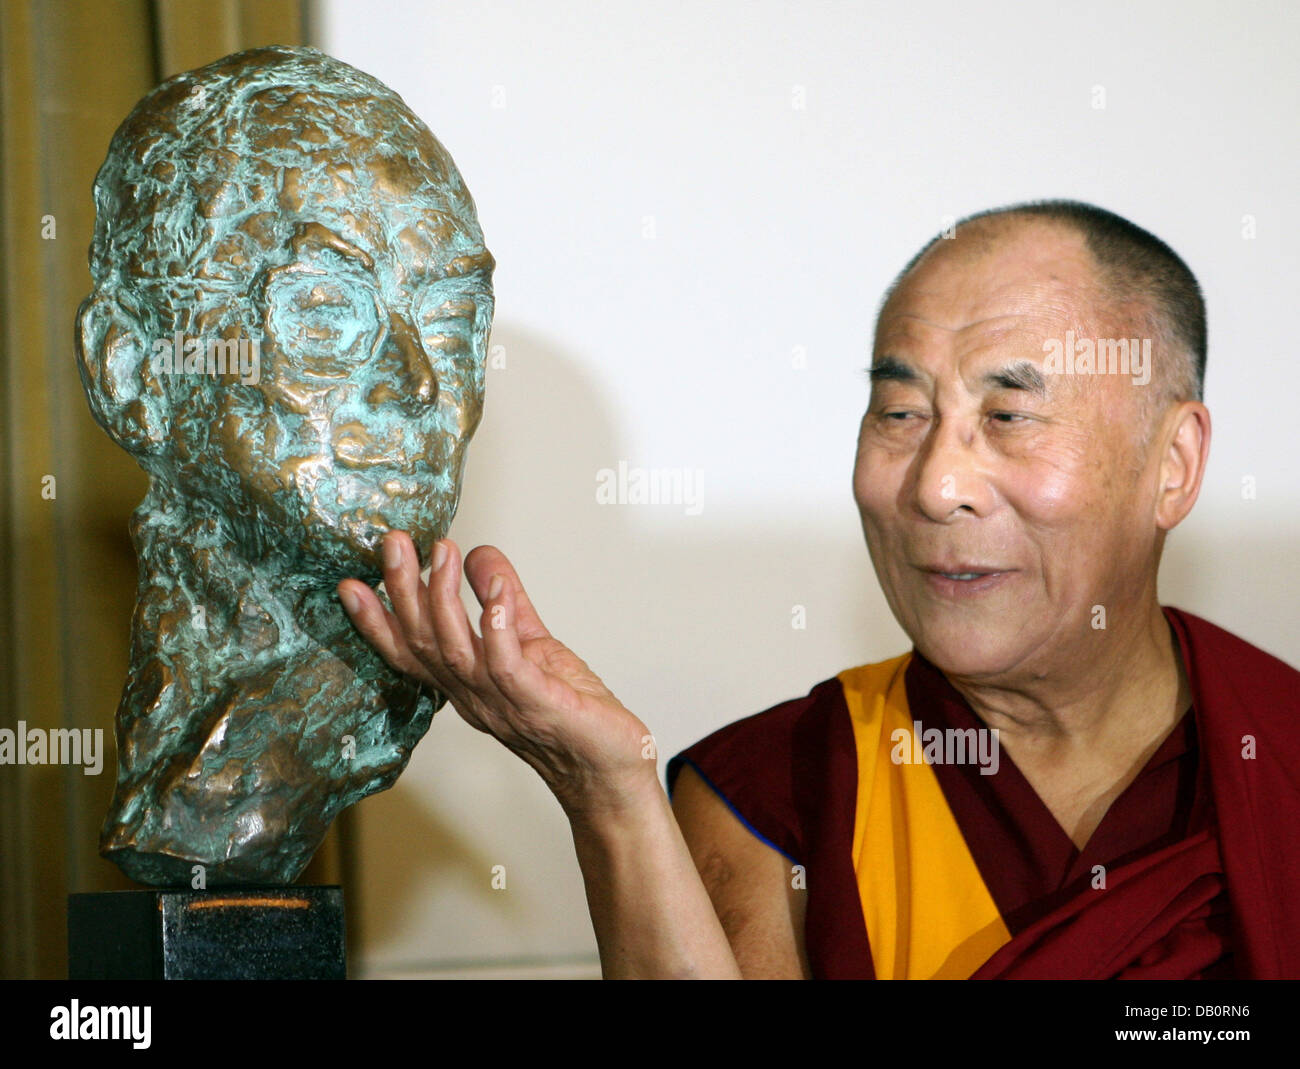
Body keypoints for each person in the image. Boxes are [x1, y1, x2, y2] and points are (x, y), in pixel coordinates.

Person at [340, 200, 1300, 978]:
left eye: (1008, 413)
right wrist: (609, 795)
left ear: (1172, 464)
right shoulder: (783, 794)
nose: (934, 484)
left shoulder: (1279, 753)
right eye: (899, 412)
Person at [78, 46, 494, 885]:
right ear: (135, 374)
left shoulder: (374, 710)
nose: (417, 381)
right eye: (324, 312)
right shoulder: (194, 772)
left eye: (451, 322)